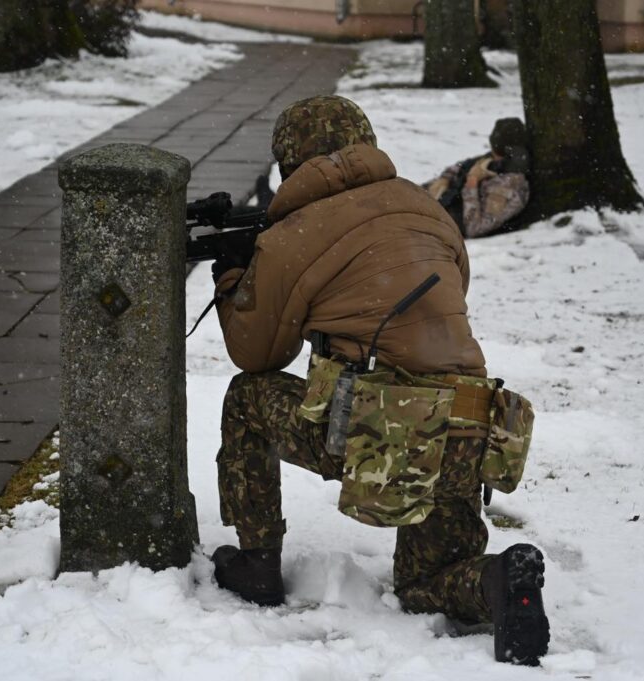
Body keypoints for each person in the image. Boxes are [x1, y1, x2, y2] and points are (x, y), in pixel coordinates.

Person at [208, 95, 549, 666]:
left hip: (382, 433)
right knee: (425, 584)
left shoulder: (294, 234)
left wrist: (235, 277)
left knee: (247, 399)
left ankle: (258, 563)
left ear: (288, 164)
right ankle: (497, 583)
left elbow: (256, 353)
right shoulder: (427, 207)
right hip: (469, 423)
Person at [424, 117, 530, 238]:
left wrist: (471, 184)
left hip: (443, 223)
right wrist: (444, 181)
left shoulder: (508, 184)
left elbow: (474, 228)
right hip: (437, 209)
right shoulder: (492, 162)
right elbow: (460, 167)